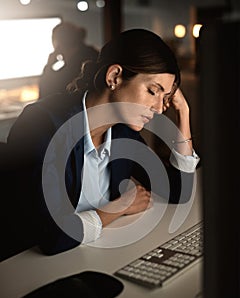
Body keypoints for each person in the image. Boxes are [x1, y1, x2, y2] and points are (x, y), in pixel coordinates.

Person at [7, 28, 200, 256]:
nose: (158, 109)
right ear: (115, 77)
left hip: (88, 258)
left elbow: (178, 191)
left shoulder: (122, 133)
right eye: (152, 91)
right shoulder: (41, 125)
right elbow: (53, 236)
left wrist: (184, 113)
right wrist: (118, 208)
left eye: (165, 98)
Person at [38, 21, 99, 98]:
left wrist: (49, 66)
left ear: (57, 44)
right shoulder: (94, 53)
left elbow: (45, 96)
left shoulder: (70, 70)